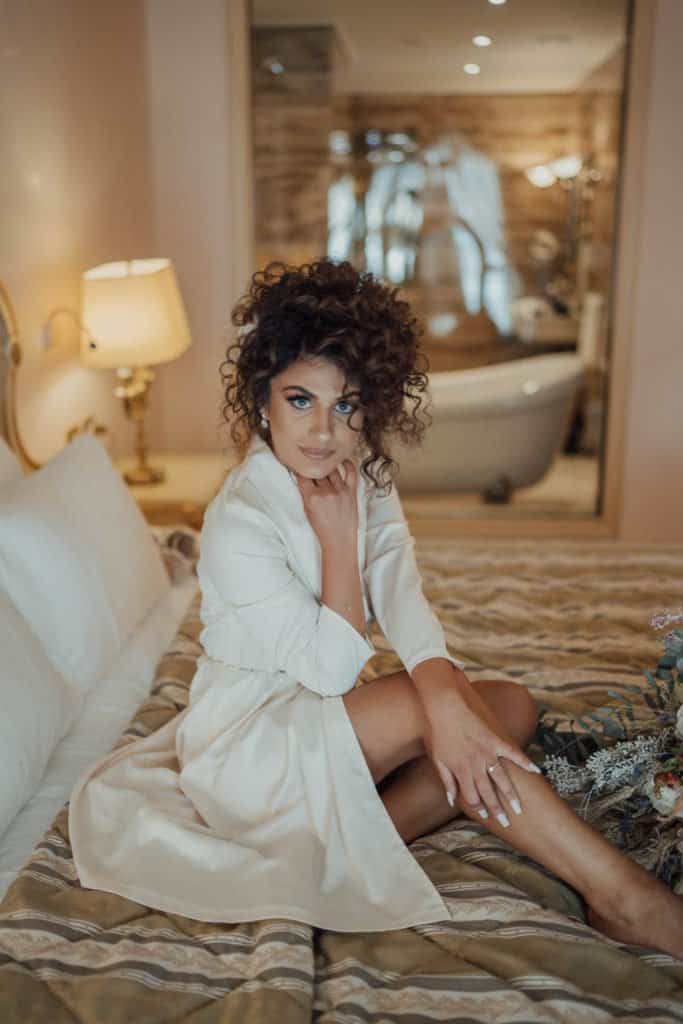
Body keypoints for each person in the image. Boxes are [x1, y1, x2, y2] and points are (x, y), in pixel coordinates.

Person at [70, 259, 683, 954]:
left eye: (348, 404)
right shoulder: (238, 519)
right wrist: (338, 544)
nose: (323, 431)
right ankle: (622, 897)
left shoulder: (361, 472)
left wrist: (445, 694)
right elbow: (330, 673)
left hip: (318, 723)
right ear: (261, 398)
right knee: (444, 710)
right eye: (300, 400)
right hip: (250, 747)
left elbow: (399, 588)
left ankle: (367, 835)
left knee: (505, 706)